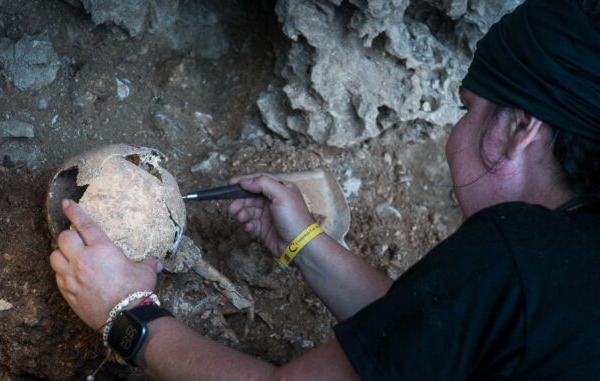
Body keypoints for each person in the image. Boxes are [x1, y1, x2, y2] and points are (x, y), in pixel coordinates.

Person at [49, 0, 600, 379]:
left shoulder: (518, 248)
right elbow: (433, 334)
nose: (456, 133)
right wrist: (305, 243)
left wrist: (128, 315)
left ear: (517, 130)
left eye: (467, 111)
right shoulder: (568, 258)